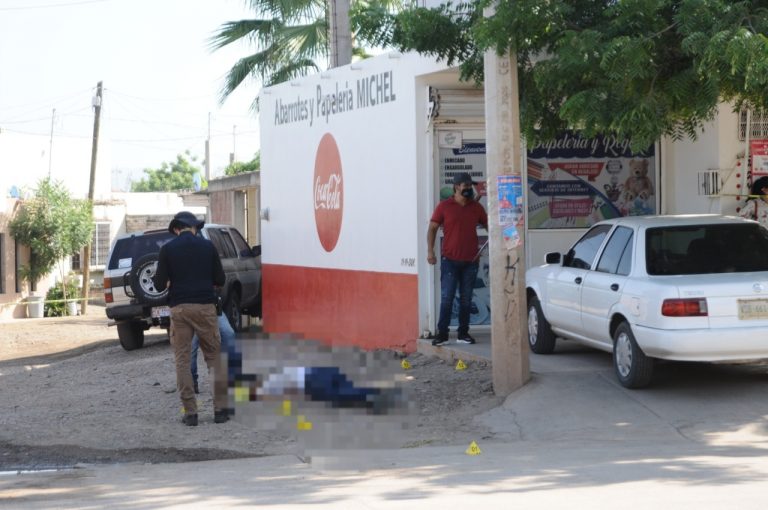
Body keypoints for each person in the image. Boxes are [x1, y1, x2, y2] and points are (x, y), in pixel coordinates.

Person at [153, 211, 228, 426]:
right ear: (193, 227)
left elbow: (159, 284)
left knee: (183, 361)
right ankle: (220, 410)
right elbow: (220, 279)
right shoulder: (208, 247)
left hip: (180, 309)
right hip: (206, 307)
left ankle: (191, 413)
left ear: (177, 229)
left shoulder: (167, 249)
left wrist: (171, 282)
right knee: (213, 358)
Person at [427, 172, 488, 345]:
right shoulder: (444, 206)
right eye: (466, 186)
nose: (469, 189)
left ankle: (463, 333)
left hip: (471, 261)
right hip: (450, 261)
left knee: (466, 299)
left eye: (471, 186)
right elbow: (432, 228)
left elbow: (488, 225)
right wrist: (430, 251)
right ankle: (443, 334)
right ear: (457, 186)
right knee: (447, 298)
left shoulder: (476, 208)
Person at [191, 313, 236, 394]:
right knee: (192, 347)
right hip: (190, 310)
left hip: (212, 308)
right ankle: (192, 381)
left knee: (229, 334)